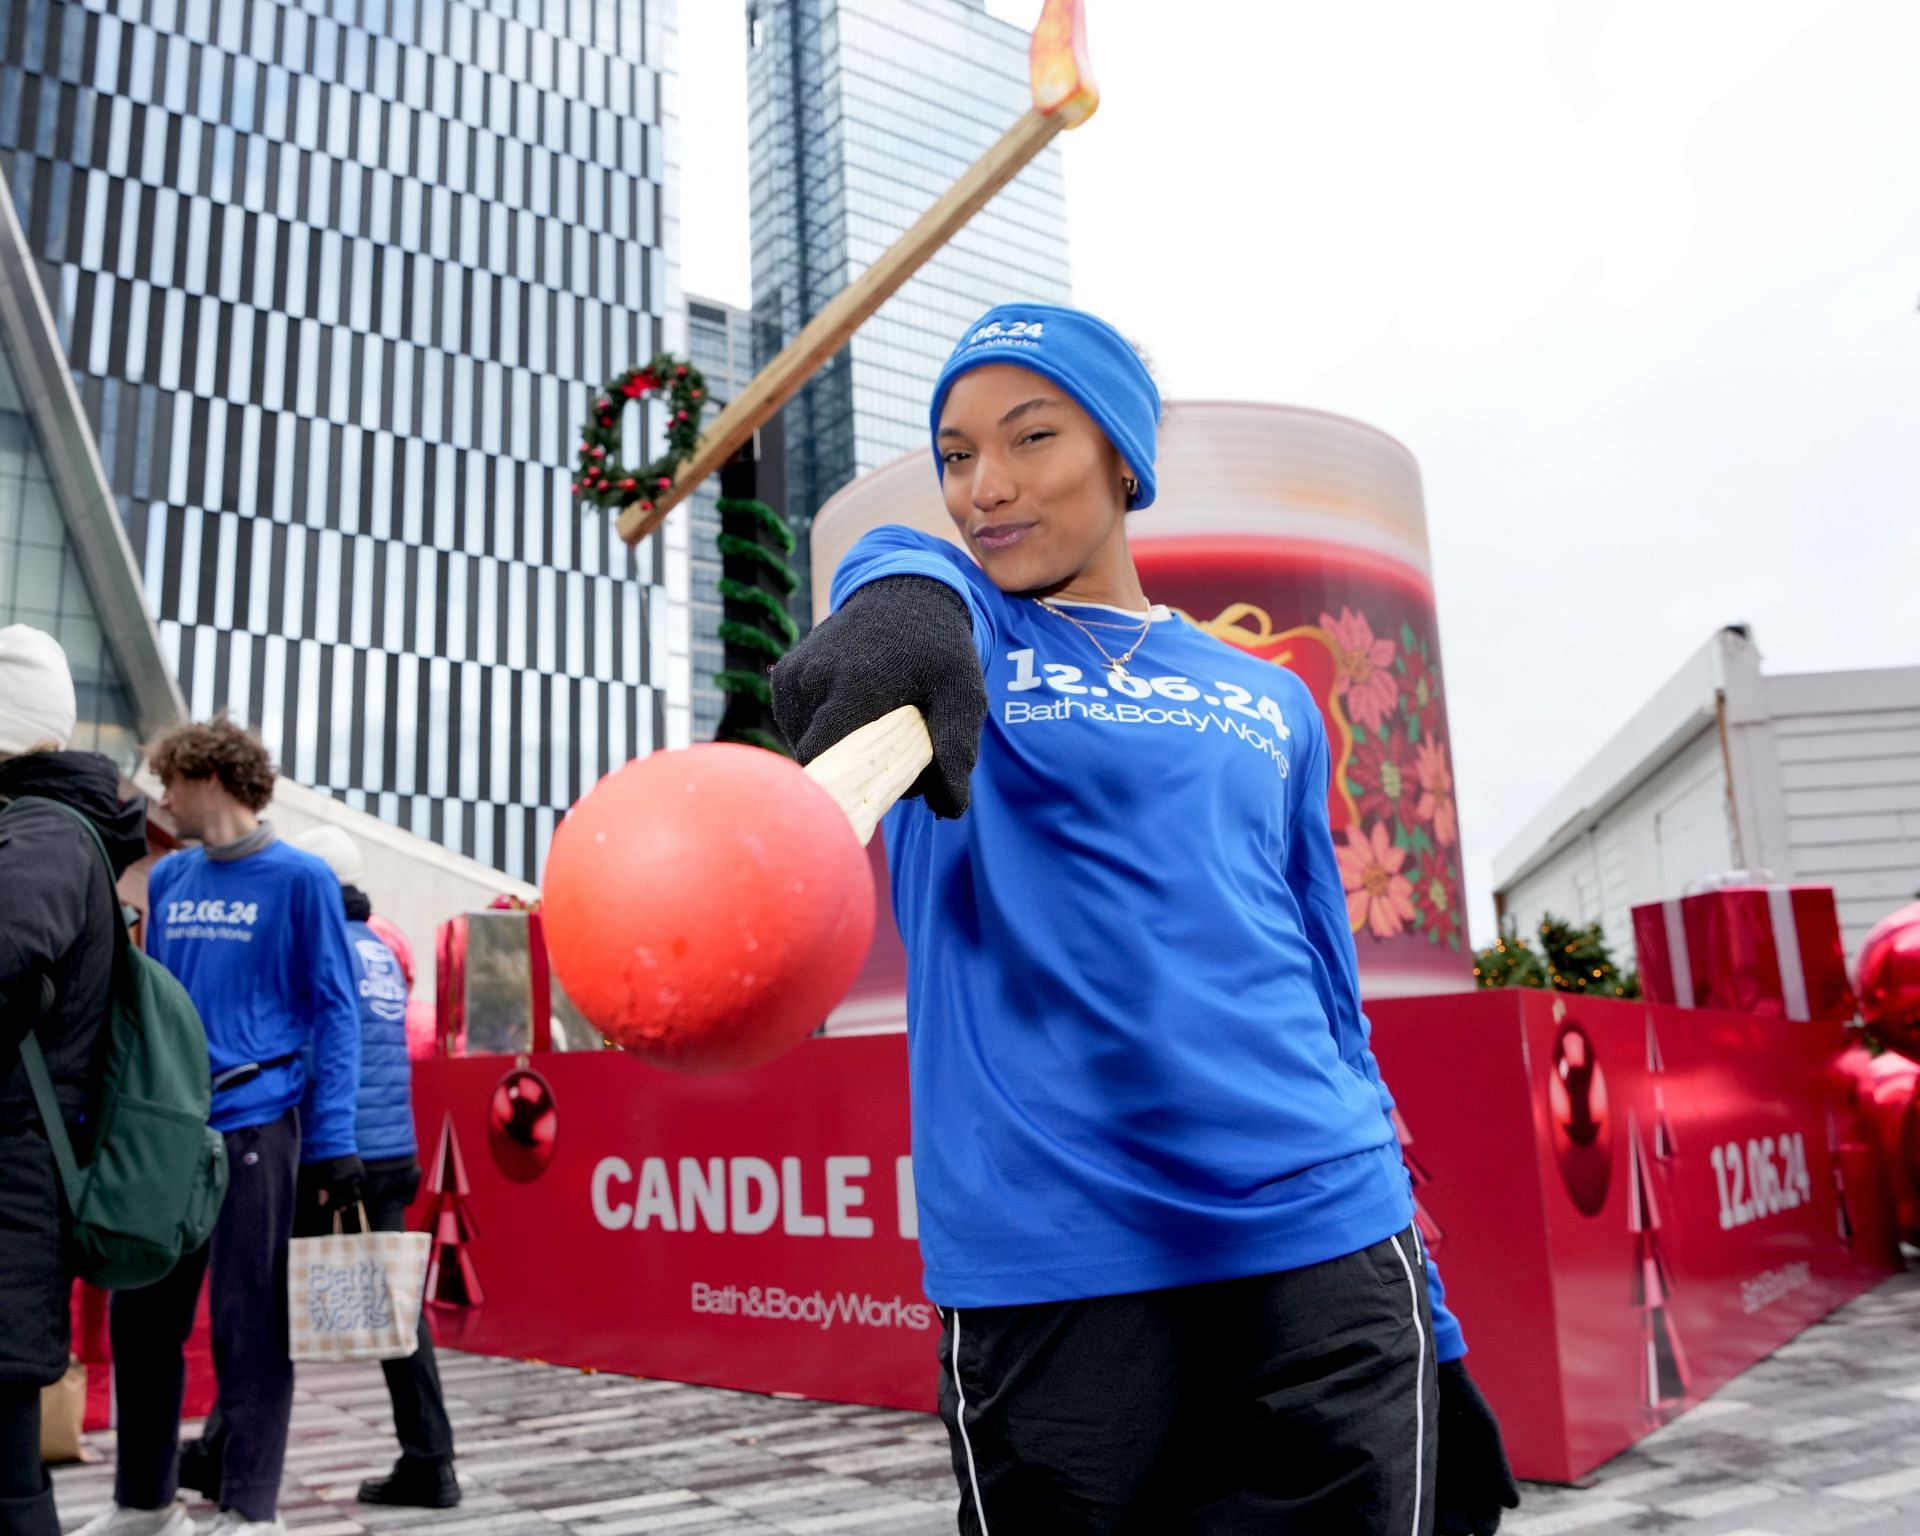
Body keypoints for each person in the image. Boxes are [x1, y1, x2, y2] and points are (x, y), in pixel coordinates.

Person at [771, 304, 1520, 1534]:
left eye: (1031, 438)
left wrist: (1433, 1322)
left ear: (1121, 456)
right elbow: (899, 569)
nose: (986, 487)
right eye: (955, 454)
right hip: (1058, 1268)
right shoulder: (950, 648)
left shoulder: (1271, 699)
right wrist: (897, 591)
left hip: (1323, 1242)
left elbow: (1330, 1000)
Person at [79, 720, 362, 1536]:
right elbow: (150, 1011)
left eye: (172, 782)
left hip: (257, 1126)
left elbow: (335, 1015)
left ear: (209, 776)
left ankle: (250, 1510)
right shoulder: (171, 882)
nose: (164, 799)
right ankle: (145, 1503)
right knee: (144, 1318)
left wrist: (335, 1141)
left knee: (252, 1326)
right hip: (168, 1132)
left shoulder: (302, 880)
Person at [0, 627, 147, 1536]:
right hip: (17, 1185)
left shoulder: (46, 832)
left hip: (11, 1191)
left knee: (9, 1475)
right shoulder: (43, 830)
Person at [288, 827, 459, 1508]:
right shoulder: (379, 949)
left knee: (268, 1298)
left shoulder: (321, 948)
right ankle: (431, 1460)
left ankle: (224, 1449)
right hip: (392, 1150)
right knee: (398, 1315)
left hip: (337, 1152)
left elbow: (314, 1052)